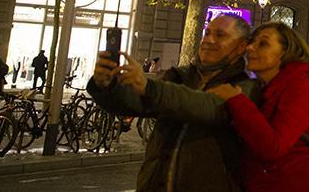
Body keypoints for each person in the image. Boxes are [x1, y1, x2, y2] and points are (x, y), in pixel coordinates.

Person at [88, 13, 259, 191]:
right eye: (207, 33)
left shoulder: (245, 86)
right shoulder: (179, 75)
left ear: (241, 47)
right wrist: (107, 86)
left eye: (220, 35)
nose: (209, 40)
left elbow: (206, 107)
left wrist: (149, 87)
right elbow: (136, 103)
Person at [207, 22, 309, 192]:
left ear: (284, 53)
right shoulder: (268, 89)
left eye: (263, 44)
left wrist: (236, 100)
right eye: (251, 42)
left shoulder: (300, 89)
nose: (250, 48)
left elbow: (273, 147)